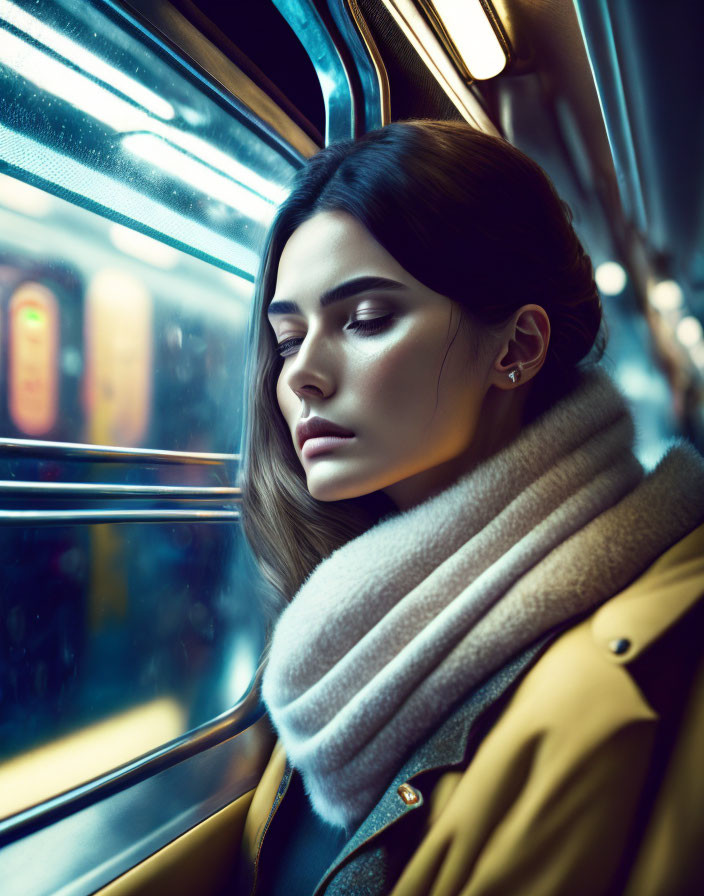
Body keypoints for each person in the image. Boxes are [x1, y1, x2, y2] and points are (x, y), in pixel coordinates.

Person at [236, 120, 704, 896]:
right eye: (287, 339)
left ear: (516, 348)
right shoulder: (348, 632)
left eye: (365, 320)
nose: (302, 376)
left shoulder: (658, 666)